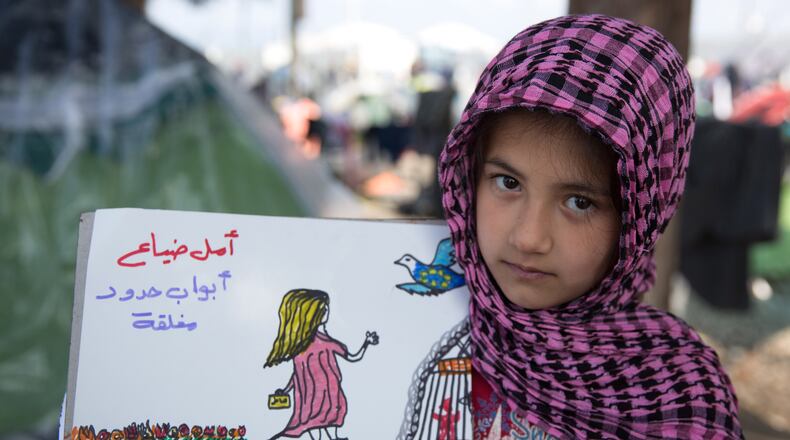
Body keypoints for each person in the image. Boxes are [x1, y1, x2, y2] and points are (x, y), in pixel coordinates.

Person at [437, 14, 743, 439]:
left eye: (579, 202)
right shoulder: (415, 315)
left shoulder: (680, 395)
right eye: (508, 182)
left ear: (640, 216)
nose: (528, 238)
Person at [264, 289, 379, 440]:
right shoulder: (317, 344)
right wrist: (367, 343)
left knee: (320, 428)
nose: (328, 311)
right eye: (324, 309)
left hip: (318, 401)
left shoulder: (307, 345)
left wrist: (366, 344)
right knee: (322, 427)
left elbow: (298, 373)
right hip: (319, 400)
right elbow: (299, 374)